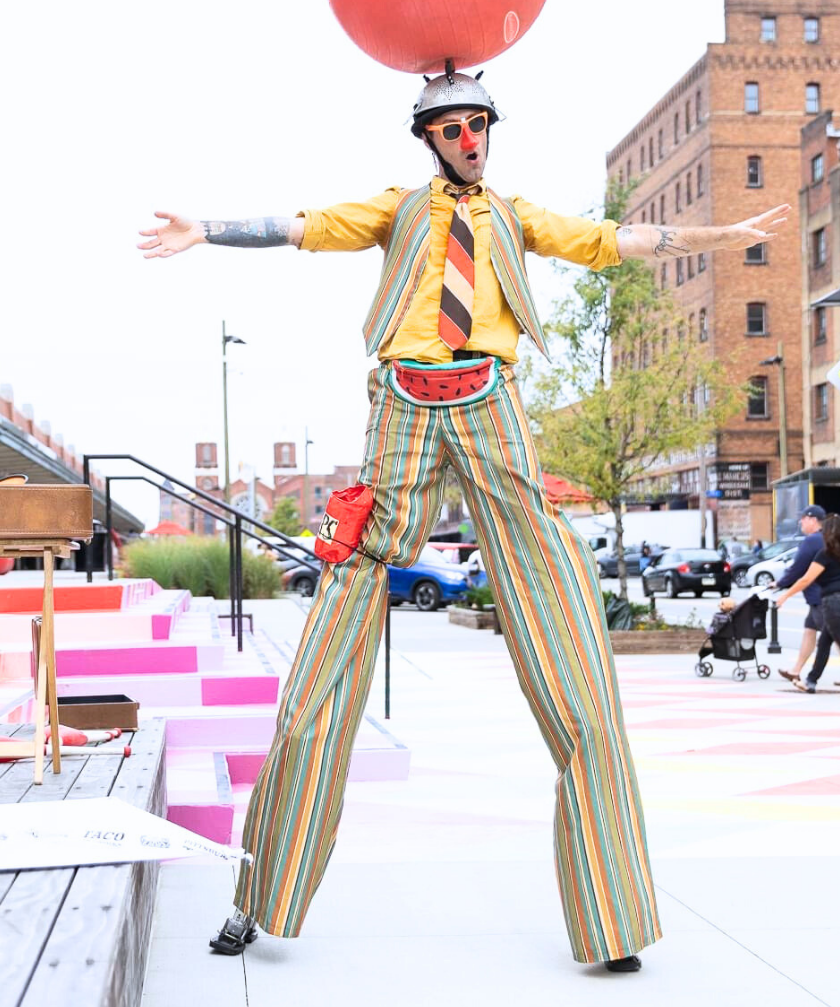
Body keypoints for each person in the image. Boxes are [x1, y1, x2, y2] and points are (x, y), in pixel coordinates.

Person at [139, 71, 789, 976]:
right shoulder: (398, 209)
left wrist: (720, 234)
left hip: (492, 399)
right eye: (451, 125)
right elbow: (302, 227)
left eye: (478, 120)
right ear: (430, 137)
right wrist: (206, 228)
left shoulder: (515, 216)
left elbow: (613, 240)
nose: (469, 135)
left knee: (568, 639)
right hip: (403, 405)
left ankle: (610, 919)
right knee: (324, 660)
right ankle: (260, 894)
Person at [775, 513, 840, 693]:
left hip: (833, 602)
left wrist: (785, 596)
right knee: (825, 641)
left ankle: (810, 680)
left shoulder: (825, 554)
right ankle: (810, 681)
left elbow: (806, 580)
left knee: (831, 641)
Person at [772, 505, 826, 682]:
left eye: (802, 519)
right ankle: (796, 670)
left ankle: (809, 677)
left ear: (812, 520)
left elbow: (798, 569)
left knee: (832, 635)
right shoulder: (829, 538)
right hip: (822, 597)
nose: (800, 522)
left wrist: (781, 584)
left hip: (821, 598)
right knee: (810, 630)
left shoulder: (812, 541)